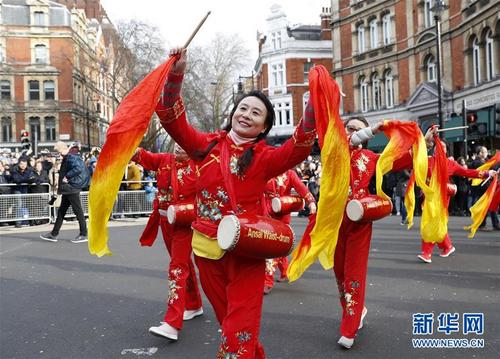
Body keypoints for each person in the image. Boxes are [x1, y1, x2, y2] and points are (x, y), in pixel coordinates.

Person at [155, 48, 316, 358]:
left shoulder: (267, 158)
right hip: (206, 249)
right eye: (243, 108)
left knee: (238, 328)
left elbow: (297, 148)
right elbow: (171, 119)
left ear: (264, 127)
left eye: (256, 113)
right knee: (231, 323)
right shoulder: (205, 146)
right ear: (233, 113)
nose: (246, 115)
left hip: (248, 250)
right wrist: (177, 74)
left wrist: (315, 103)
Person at [332, 116, 412, 349]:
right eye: (351, 128)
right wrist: (369, 130)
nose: (354, 133)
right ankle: (357, 310)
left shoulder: (371, 158)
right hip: (335, 221)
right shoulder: (335, 152)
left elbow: (400, 160)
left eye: (359, 129)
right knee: (340, 274)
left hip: (359, 220)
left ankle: (349, 326)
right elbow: (342, 143)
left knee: (354, 273)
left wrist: (423, 142)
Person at [132, 144, 203, 341]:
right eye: (177, 144)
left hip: (185, 222)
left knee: (177, 267)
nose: (180, 148)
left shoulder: (200, 165)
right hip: (165, 221)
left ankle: (172, 322)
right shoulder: (163, 160)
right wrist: (125, 139)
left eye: (184, 144)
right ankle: (194, 304)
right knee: (182, 263)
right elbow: (140, 156)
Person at [416, 136, 495, 263]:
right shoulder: (428, 161)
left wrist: (486, 174)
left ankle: (427, 253)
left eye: (443, 147)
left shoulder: (451, 164)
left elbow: (468, 172)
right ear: (434, 149)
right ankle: (447, 246)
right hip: (429, 197)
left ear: (446, 150)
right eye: (438, 146)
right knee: (436, 223)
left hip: (442, 199)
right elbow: (417, 164)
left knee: (431, 223)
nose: (440, 149)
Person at [262, 169, 316, 294]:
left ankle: (267, 281)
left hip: (282, 214)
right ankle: (285, 271)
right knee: (278, 245)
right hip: (265, 212)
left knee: (274, 248)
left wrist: (311, 201)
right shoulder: (267, 169)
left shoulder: (290, 174)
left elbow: (301, 188)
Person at [40, 141, 89, 243]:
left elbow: (78, 168)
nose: (57, 153)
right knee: (62, 211)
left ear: (61, 148)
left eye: (57, 150)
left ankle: (84, 234)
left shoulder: (71, 156)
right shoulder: (69, 156)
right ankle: (54, 234)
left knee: (78, 211)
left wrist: (67, 176)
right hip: (69, 188)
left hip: (72, 188)